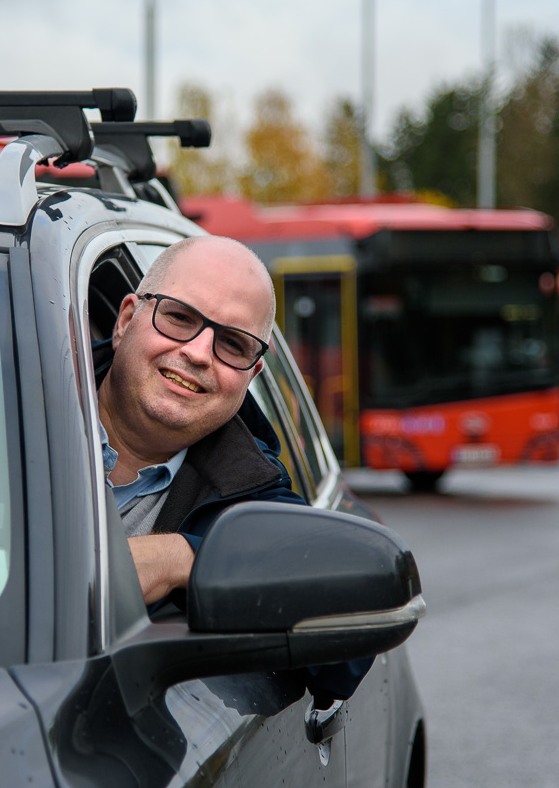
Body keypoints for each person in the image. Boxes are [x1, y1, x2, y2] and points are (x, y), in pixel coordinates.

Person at [95, 235, 372, 706]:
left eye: (232, 343)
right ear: (126, 320)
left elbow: (348, 645)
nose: (199, 353)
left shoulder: (252, 493)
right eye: (180, 317)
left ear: (252, 375)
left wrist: (186, 559)